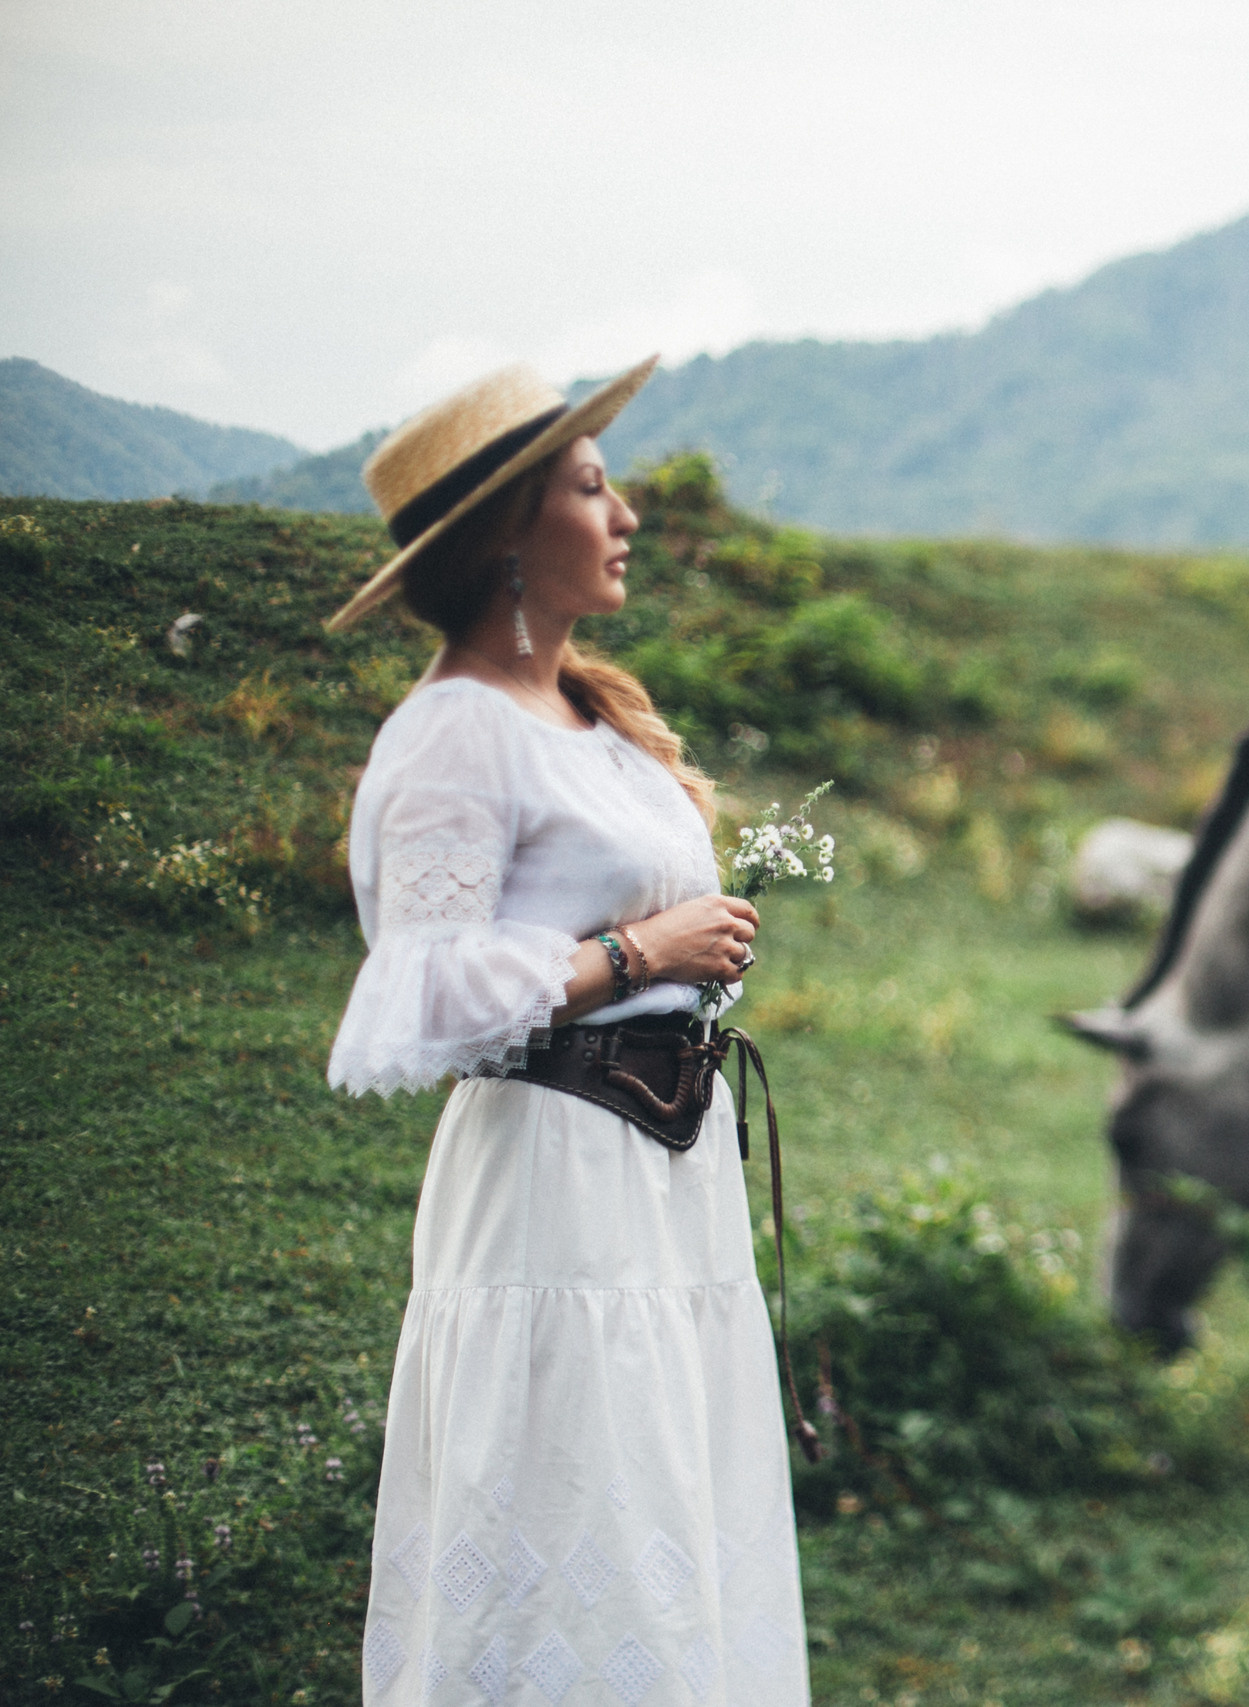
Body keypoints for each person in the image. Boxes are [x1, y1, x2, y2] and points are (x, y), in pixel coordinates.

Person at [323, 357, 810, 1706]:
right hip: (554, 1179)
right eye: (592, 489)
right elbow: (423, 995)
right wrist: (640, 951)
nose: (628, 515)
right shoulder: (452, 737)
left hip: (665, 1176)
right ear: (503, 542)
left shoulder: (593, 715)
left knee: (665, 1489)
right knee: (572, 1483)